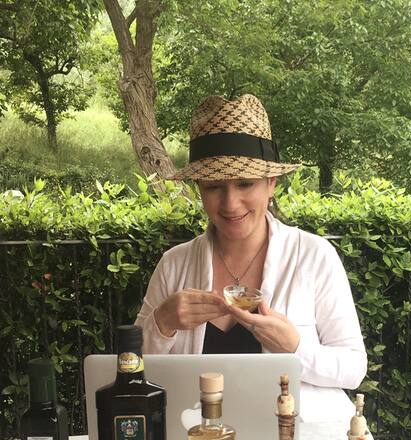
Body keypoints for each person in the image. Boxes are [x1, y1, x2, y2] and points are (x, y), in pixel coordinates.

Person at [135, 94, 367, 420]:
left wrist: (296, 348)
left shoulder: (314, 257)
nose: (231, 204)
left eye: (245, 184)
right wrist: (162, 324)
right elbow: (132, 369)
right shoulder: (174, 265)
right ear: (200, 189)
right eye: (214, 187)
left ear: (271, 184)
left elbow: (353, 367)